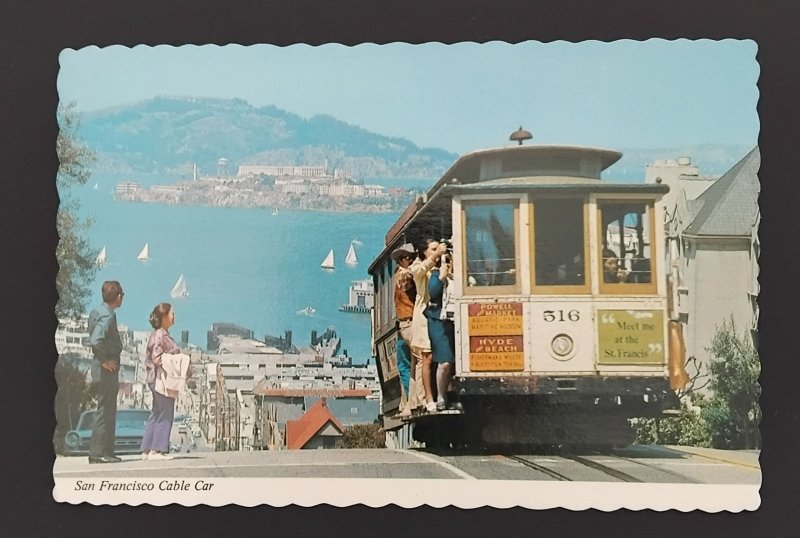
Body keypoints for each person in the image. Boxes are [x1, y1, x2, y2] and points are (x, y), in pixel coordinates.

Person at [140, 303, 188, 461]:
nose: (174, 316)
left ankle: (147, 449)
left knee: (156, 412)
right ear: (164, 317)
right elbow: (157, 357)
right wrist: (177, 360)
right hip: (160, 379)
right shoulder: (161, 335)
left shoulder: (159, 334)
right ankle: (157, 450)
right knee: (166, 412)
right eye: (172, 313)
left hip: (154, 379)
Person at [87, 281, 125, 464]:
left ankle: (106, 452)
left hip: (99, 367)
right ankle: (99, 453)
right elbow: (96, 340)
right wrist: (104, 361)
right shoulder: (108, 316)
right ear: (117, 297)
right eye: (122, 295)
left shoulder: (96, 311)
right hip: (106, 369)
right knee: (106, 410)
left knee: (105, 409)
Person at [409, 239, 448, 413]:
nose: (436, 251)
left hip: (440, 316)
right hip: (425, 319)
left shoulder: (442, 265)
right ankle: (428, 398)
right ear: (424, 252)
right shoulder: (418, 267)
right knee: (428, 357)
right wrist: (436, 257)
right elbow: (418, 271)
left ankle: (443, 395)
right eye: (432, 249)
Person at [426, 255, 459, 411]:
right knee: (445, 362)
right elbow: (433, 292)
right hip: (440, 322)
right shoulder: (436, 274)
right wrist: (442, 276)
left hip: (457, 321)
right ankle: (441, 396)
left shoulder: (461, 274)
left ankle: (453, 395)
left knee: (456, 363)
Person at [391, 243, 417, 418]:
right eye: (409, 258)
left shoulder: (404, 274)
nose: (412, 260)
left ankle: (410, 402)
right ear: (402, 259)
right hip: (404, 323)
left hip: (408, 323)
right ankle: (407, 401)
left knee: (408, 366)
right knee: (405, 366)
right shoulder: (403, 275)